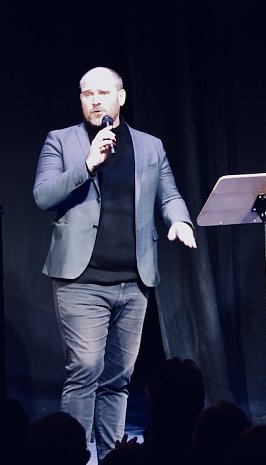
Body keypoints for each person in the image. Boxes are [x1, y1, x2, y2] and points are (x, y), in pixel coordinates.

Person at [32, 66, 196, 461]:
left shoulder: (150, 146)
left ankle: (111, 457)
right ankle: (69, 456)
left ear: (121, 97)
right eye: (87, 94)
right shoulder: (62, 141)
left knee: (118, 379)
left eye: (103, 93)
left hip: (133, 281)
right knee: (86, 368)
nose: (95, 100)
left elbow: (169, 195)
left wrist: (180, 221)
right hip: (81, 281)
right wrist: (87, 164)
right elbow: (43, 195)